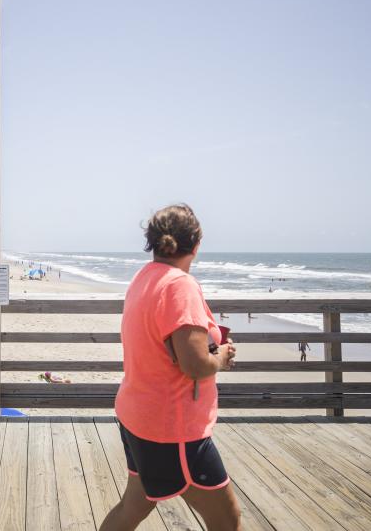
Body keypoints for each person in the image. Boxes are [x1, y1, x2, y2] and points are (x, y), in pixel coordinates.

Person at [101, 204, 240, 531]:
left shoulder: (144, 277)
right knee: (227, 521)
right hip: (173, 429)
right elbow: (194, 365)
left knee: (132, 508)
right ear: (196, 244)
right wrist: (221, 356)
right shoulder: (180, 285)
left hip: (138, 416)